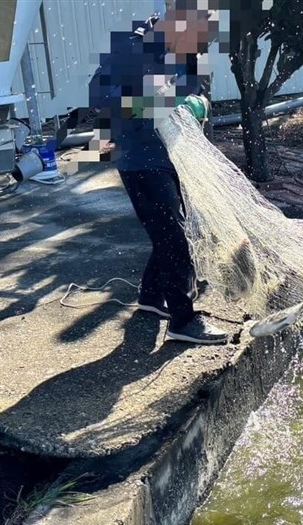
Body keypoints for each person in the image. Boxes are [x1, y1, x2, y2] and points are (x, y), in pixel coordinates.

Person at [88, 2, 229, 344]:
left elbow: (198, 90)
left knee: (168, 229)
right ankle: (183, 320)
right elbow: (98, 99)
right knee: (174, 237)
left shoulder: (189, 48)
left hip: (175, 153)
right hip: (139, 157)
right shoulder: (131, 47)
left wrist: (199, 104)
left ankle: (152, 298)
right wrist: (139, 102)